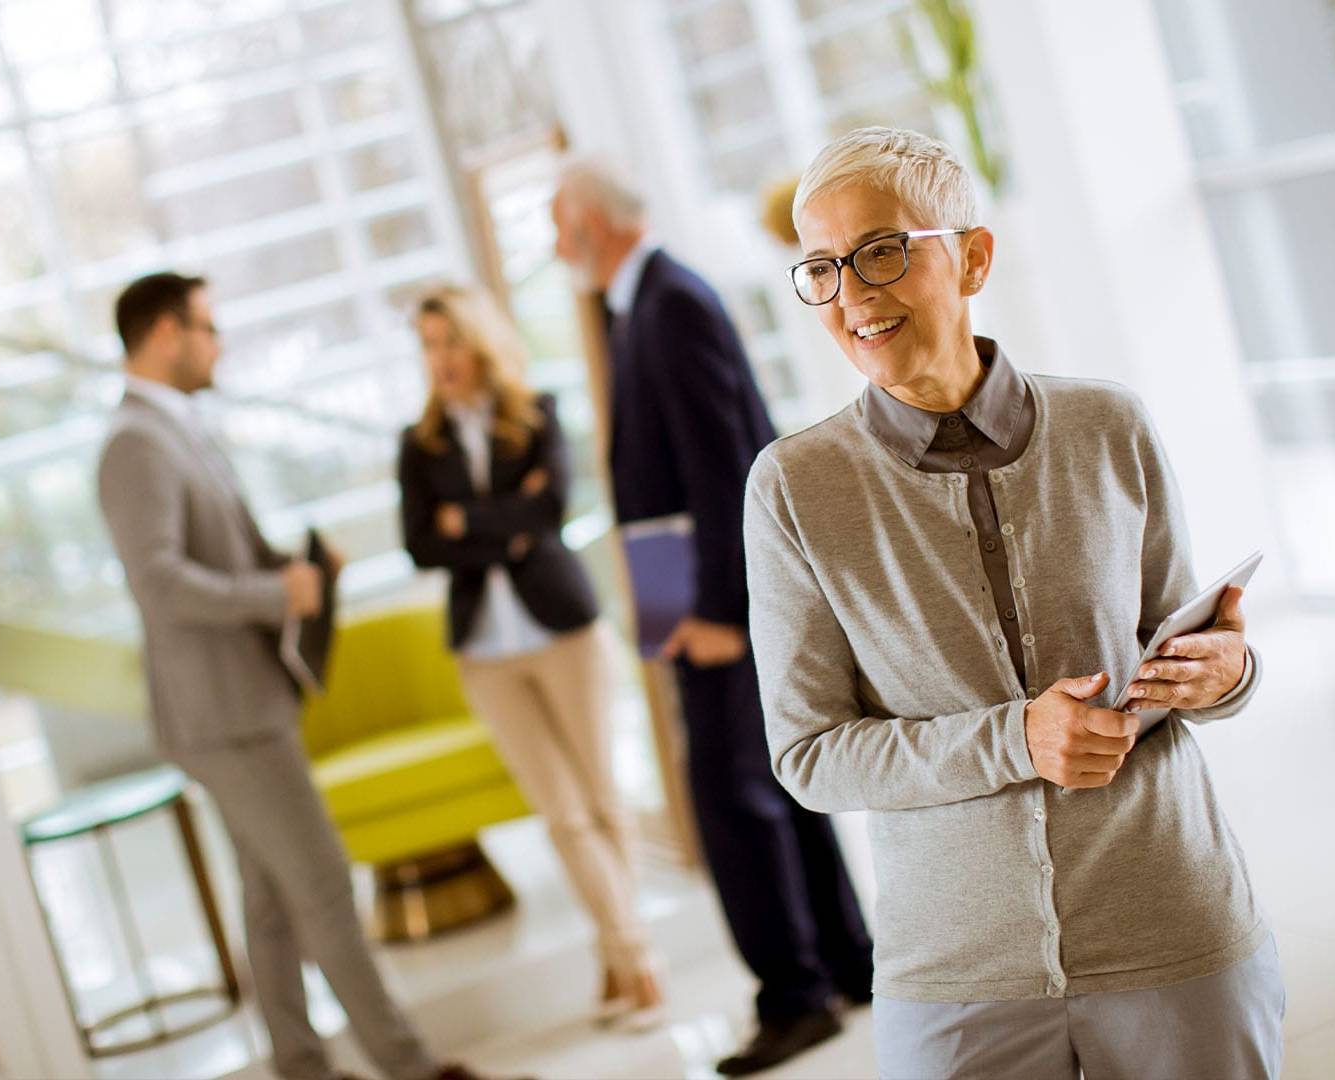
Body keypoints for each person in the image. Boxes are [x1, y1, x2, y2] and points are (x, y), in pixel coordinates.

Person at [745, 127, 1282, 1079]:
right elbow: (809, 756)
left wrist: (1228, 670)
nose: (854, 294)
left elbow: (1176, 636)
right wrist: (1015, 738)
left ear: (973, 255)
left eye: (881, 251)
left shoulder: (1108, 424)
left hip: (1173, 920)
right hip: (954, 970)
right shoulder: (793, 487)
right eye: (822, 268)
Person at [96, 272, 475, 1080]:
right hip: (223, 713)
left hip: (243, 701)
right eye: (207, 326)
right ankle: (408, 1067)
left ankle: (300, 1066)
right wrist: (278, 593)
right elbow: (159, 584)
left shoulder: (177, 429)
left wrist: (296, 568)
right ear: (165, 333)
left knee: (271, 903)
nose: (217, 342)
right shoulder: (135, 443)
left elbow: (215, 556)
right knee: (325, 887)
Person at [552, 161, 874, 1076]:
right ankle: (848, 965)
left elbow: (726, 461)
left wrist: (720, 614)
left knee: (731, 798)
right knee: (765, 784)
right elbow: (656, 487)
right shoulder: (638, 302)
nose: (551, 245)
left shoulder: (670, 301)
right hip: (685, 594)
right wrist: (662, 619)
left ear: (589, 225)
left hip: (719, 601)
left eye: (556, 225)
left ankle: (795, 993)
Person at [396, 283, 664, 1028]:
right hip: (485, 651)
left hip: (566, 635)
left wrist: (467, 522)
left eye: (449, 340)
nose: (439, 358)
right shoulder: (418, 446)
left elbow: (550, 513)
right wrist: (502, 521)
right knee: (563, 816)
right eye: (426, 344)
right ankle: (636, 959)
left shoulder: (537, 412)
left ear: (479, 341)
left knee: (604, 802)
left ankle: (621, 962)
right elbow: (421, 543)